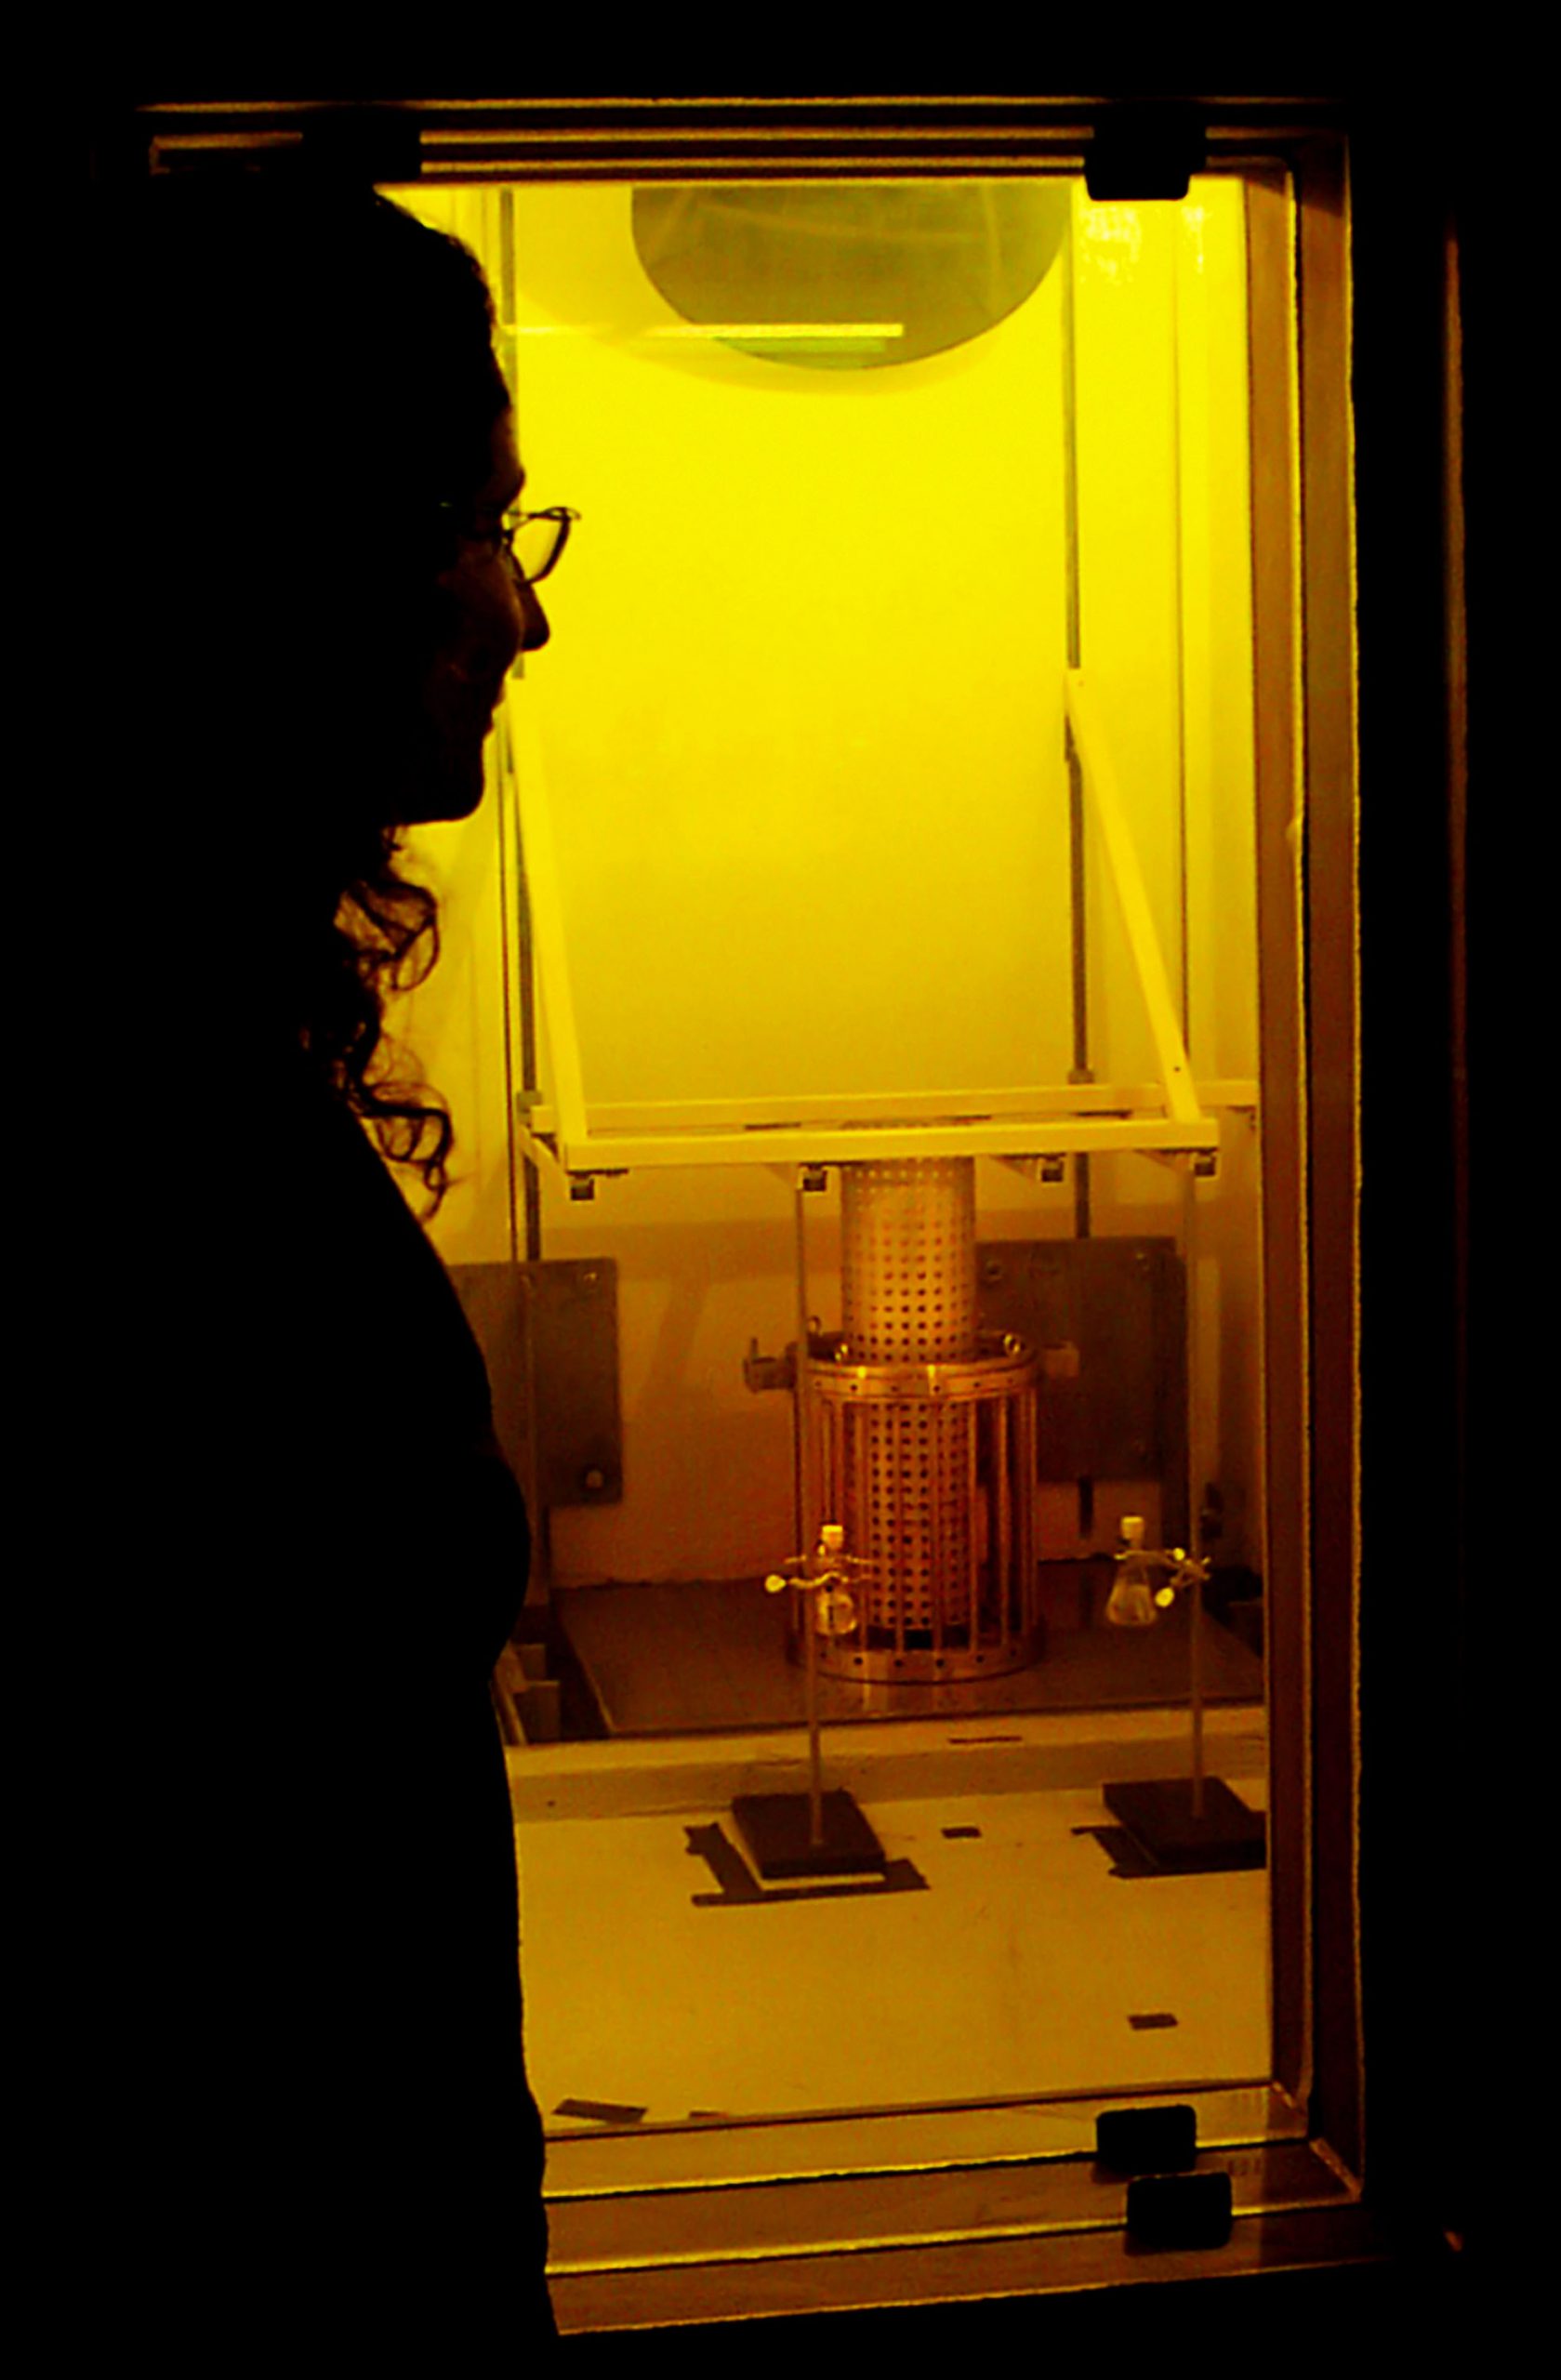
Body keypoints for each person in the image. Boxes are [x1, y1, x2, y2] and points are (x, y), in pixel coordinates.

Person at [91, 165, 560, 2361]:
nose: (520, 609)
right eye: (467, 528)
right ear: (275, 568)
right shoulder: (144, 1139)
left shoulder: (204, 1039)